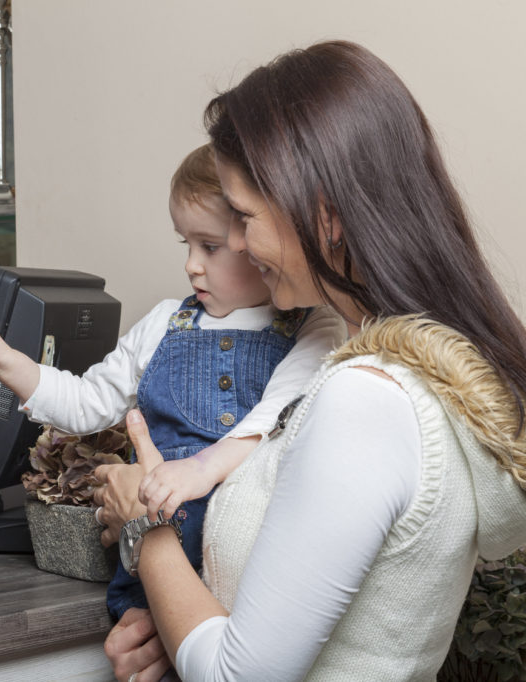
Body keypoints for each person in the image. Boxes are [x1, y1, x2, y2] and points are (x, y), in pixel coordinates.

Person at [94, 40, 526, 682]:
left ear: (323, 216)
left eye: (242, 217)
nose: (236, 245)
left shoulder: (367, 400)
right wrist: (181, 621)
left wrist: (147, 532)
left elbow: (240, 677)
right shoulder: (411, 376)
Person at [0, 144, 344, 620]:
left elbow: (274, 418)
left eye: (209, 246)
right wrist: (2, 357)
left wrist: (198, 471)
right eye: (185, 244)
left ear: (256, 238)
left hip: (241, 571)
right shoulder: (164, 323)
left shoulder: (315, 328)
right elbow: (87, 401)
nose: (192, 264)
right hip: (147, 560)